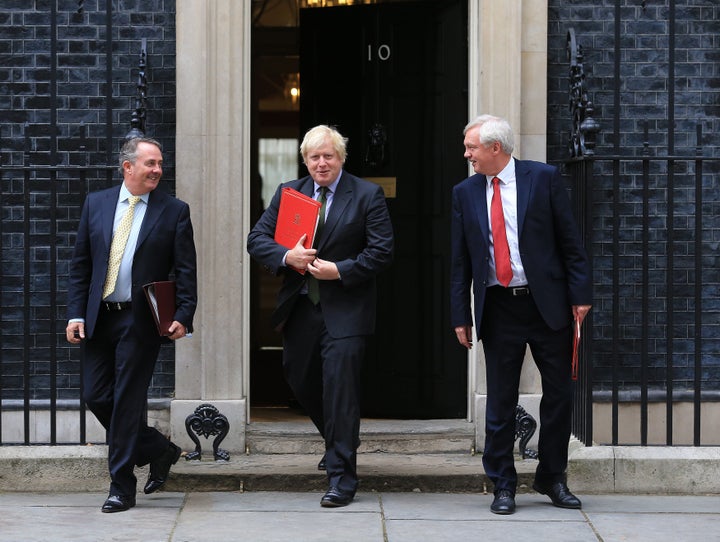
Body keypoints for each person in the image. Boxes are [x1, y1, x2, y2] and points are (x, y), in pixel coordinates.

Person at [450, 115, 592, 515]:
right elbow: (460, 261)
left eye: (471, 147)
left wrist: (580, 295)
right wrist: (461, 315)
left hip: (547, 304)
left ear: (496, 148)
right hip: (498, 307)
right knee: (500, 400)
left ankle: (552, 478)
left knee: (560, 395)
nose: (466, 155)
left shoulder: (542, 179)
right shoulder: (464, 192)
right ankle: (503, 484)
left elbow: (570, 240)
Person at [247, 125, 394, 508]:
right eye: (314, 157)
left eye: (328, 156)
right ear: (305, 160)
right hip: (301, 308)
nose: (321, 163)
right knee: (299, 378)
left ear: (341, 157)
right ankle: (338, 442)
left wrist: (340, 271)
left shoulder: (366, 194)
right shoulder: (289, 193)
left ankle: (342, 477)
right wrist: (286, 257)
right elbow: (257, 239)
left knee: (340, 389)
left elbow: (381, 252)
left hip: (346, 310)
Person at [66, 137, 197, 513]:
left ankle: (121, 487)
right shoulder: (98, 203)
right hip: (99, 317)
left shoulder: (174, 211)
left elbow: (186, 271)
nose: (157, 169)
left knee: (127, 403)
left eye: (159, 164)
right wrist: (76, 313)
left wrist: (183, 316)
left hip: (140, 320)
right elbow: (81, 266)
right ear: (128, 167)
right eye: (150, 163)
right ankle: (158, 448)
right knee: (96, 395)